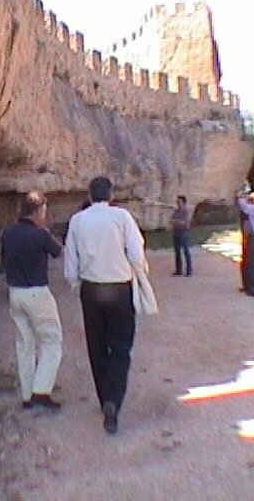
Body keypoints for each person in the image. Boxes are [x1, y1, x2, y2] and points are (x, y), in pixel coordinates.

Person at [64, 176, 145, 434]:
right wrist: (139, 274)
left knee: (96, 345)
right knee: (121, 346)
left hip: (91, 288)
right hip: (119, 287)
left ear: (89, 196)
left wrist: (75, 283)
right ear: (110, 195)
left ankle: (104, 398)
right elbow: (136, 252)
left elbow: (70, 257)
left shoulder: (77, 220)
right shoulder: (122, 217)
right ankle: (114, 399)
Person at [0, 191, 64, 410]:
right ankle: (41, 391)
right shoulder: (40, 234)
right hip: (37, 292)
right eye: (43, 211)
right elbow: (58, 252)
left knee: (24, 344)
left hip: (15, 292)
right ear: (37, 211)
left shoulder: (8, 233)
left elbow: (3, 260)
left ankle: (27, 395)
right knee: (51, 341)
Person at [170, 195, 192, 277]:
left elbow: (185, 223)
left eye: (179, 202)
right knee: (177, 252)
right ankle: (178, 270)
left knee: (186, 251)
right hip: (176, 233)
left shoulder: (186, 212)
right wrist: (177, 222)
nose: (177, 203)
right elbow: (171, 220)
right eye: (177, 202)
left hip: (184, 233)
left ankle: (189, 271)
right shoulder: (176, 211)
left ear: (183, 202)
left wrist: (176, 222)